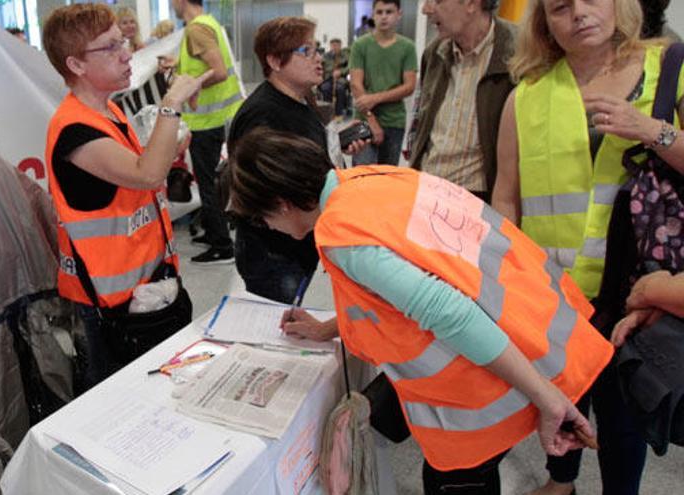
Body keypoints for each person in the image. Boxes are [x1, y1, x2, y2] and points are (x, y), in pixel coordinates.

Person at [227, 129, 613, 495]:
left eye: (264, 220)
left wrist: (546, 398)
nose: (269, 228)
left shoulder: (341, 233)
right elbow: (395, 293)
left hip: (488, 376)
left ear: (281, 204)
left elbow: (451, 314)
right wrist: (326, 328)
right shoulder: (371, 179)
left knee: (458, 478)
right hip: (542, 324)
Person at [493, 1, 684, 493]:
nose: (578, 13)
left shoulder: (670, 69)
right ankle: (562, 481)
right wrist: (499, 280)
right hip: (554, 291)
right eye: (559, 7)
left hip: (639, 288)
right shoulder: (527, 96)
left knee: (624, 413)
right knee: (563, 398)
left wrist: (653, 132)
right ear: (544, 24)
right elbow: (507, 195)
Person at [41, 3, 208, 387]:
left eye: (125, 41)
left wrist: (172, 141)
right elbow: (146, 175)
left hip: (140, 291)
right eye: (111, 46)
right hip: (105, 303)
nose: (127, 52)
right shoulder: (74, 130)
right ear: (77, 65)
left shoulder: (108, 113)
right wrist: (171, 104)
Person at [226, 17, 365, 343]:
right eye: (306, 51)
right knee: (278, 338)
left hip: (297, 248)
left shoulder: (300, 101)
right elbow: (261, 192)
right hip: (275, 253)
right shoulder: (263, 114)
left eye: (317, 49)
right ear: (274, 61)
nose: (318, 58)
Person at [408, 0, 516, 202]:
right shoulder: (433, 54)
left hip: (482, 202)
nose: (425, 9)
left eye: (436, 1)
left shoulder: (518, 52)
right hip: (427, 193)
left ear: (471, 3)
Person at [173, 0, 244, 264]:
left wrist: (191, 86)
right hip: (215, 118)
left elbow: (219, 71)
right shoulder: (207, 23)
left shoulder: (196, 29)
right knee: (211, 181)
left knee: (208, 184)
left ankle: (221, 245)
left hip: (208, 121)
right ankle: (215, 232)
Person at [350, 0, 417, 166]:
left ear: (399, 14)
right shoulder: (360, 45)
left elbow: (409, 86)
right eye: (379, 12)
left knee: (387, 178)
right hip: (364, 120)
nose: (384, 17)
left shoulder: (407, 47)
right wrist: (371, 121)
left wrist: (375, 98)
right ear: (373, 15)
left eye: (389, 12)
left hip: (394, 121)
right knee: (362, 176)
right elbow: (356, 85)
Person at [319, 38, 350, 117]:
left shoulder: (346, 56)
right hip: (328, 78)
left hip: (340, 79)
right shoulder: (326, 56)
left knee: (340, 89)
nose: (335, 47)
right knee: (325, 88)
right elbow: (321, 67)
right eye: (333, 45)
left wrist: (341, 72)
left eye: (337, 45)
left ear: (340, 46)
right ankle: (327, 112)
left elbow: (350, 67)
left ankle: (339, 113)